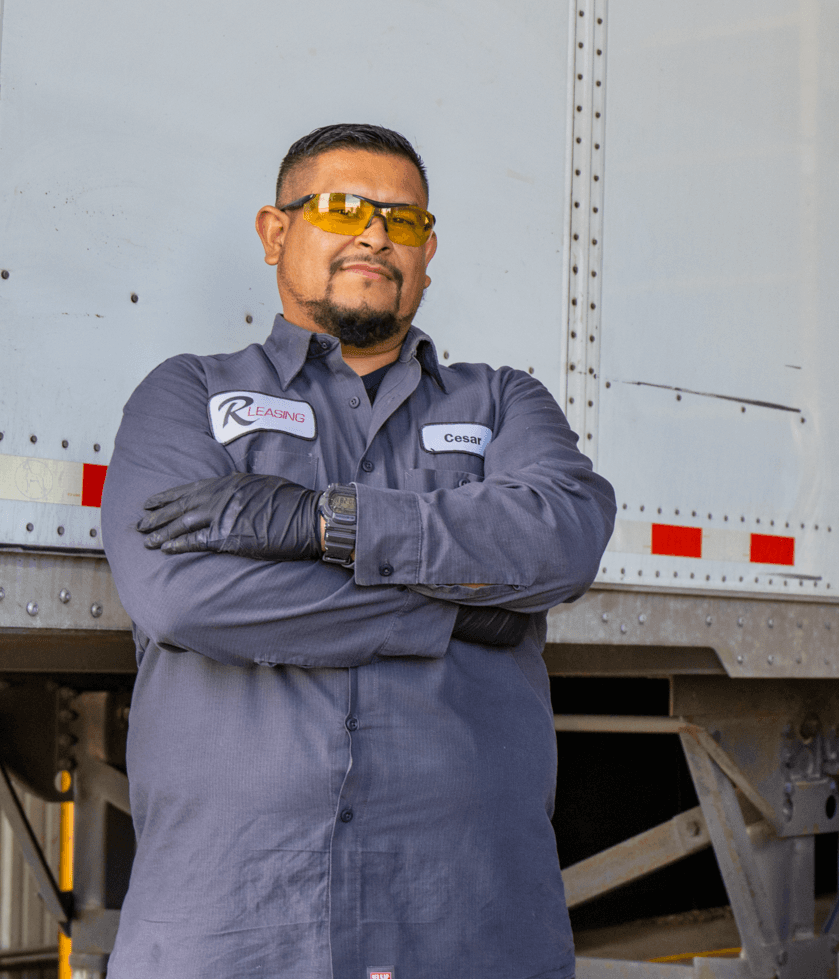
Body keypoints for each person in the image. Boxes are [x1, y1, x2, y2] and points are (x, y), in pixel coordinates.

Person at [101, 123, 615, 979]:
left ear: (427, 253)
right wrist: (455, 610)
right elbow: (183, 600)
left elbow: (563, 537)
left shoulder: (502, 402)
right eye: (343, 209)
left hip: (468, 920)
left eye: (403, 220)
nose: (376, 235)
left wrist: (323, 523)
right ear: (276, 232)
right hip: (234, 926)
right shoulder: (189, 394)